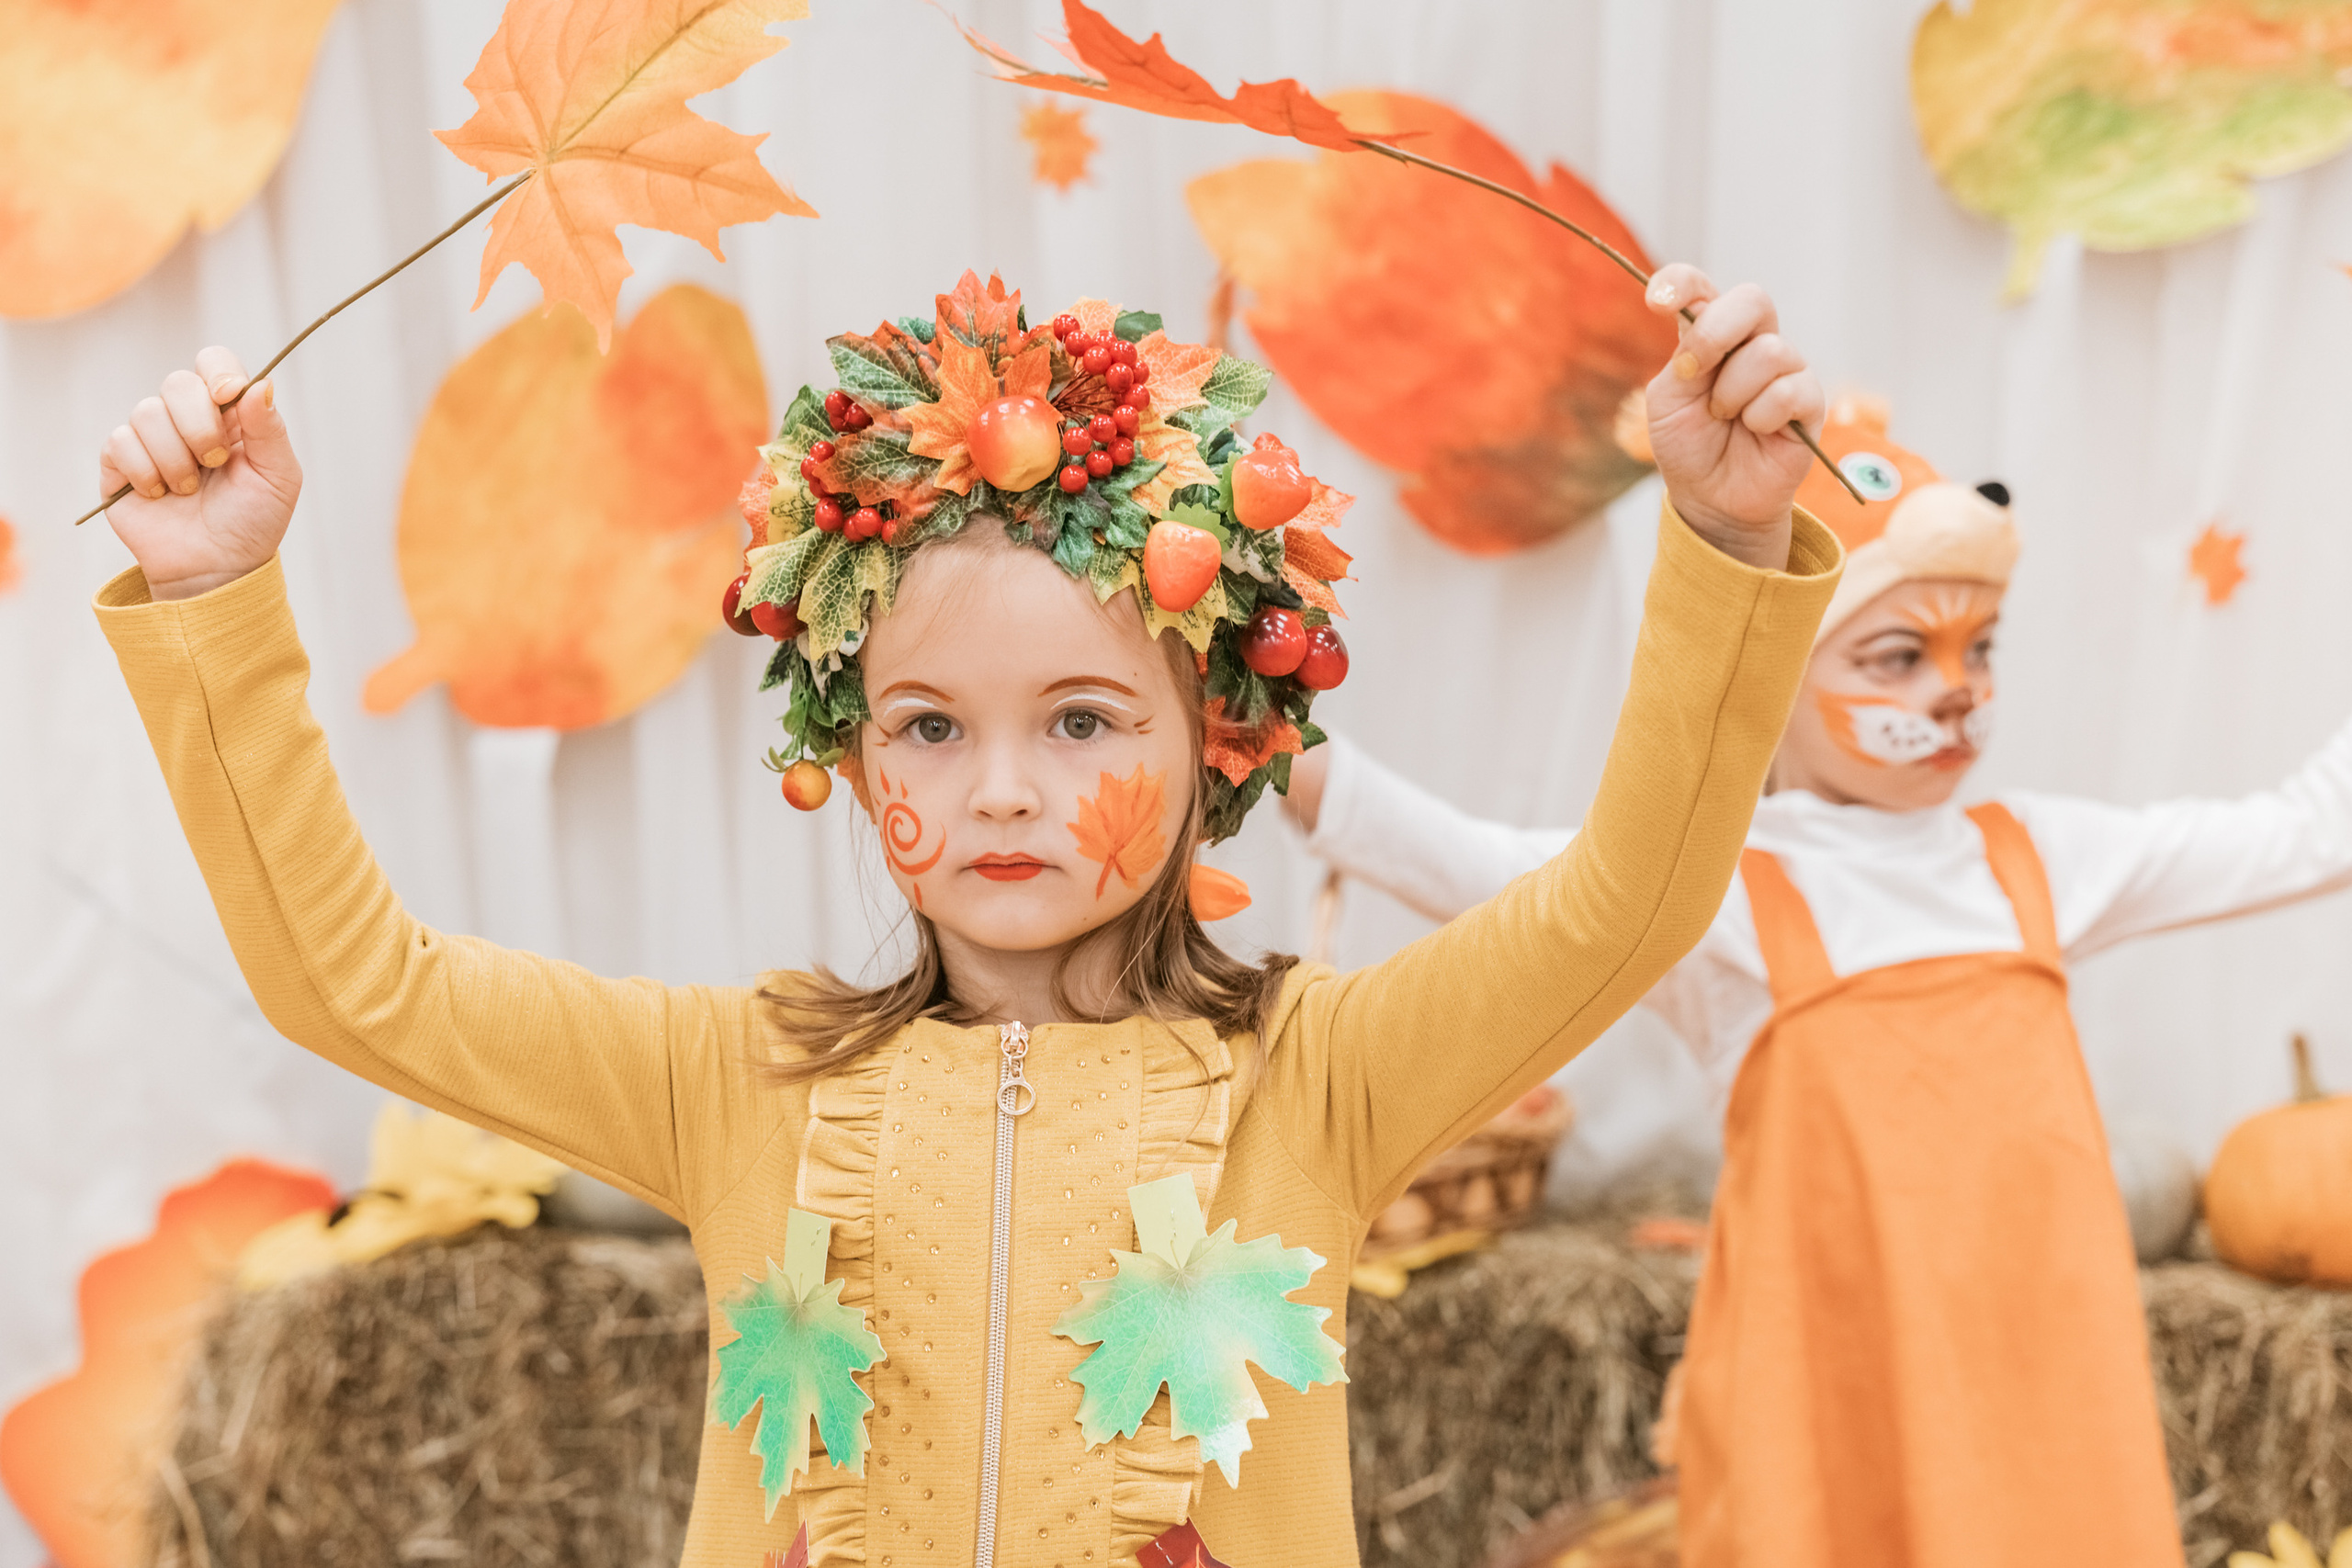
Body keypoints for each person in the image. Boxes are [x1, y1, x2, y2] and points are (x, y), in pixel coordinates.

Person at [85, 265, 1838, 1568]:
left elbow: (1630, 899)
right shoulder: (736, 1081)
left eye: (1081, 720)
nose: (1001, 786)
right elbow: (350, 982)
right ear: (855, 756)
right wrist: (217, 597)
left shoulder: (1322, 1076)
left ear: (1216, 737)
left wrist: (1717, 537)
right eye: (934, 723)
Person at [1287, 398, 2352, 1567]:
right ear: (1781, 672)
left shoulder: (2041, 857)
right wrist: (1258, 722)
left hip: (2037, 1378)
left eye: (1977, 649)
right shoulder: (1714, 884)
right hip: (1835, 1390)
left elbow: (2307, 834)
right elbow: (1463, 861)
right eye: (1898, 655)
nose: (1953, 689)